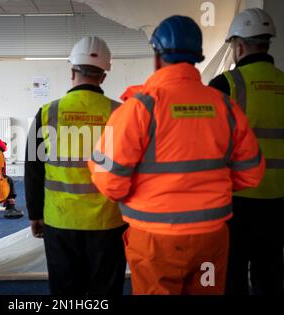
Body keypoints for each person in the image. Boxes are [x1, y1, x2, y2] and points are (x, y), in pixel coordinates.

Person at [88, 16, 265, 295]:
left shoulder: (137, 108)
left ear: (157, 56)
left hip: (155, 241)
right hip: (210, 239)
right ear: (196, 57)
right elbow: (252, 172)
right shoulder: (225, 106)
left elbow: (108, 178)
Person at [25, 36, 127, 295]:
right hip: (109, 224)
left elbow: (33, 169)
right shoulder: (121, 114)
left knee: (65, 293)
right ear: (103, 76)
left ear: (72, 72)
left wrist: (35, 214)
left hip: (61, 223)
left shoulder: (48, 113)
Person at [209, 8, 284, 295]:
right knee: (271, 274)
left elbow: (208, 144)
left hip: (236, 201)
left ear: (238, 46)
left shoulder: (225, 85)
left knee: (232, 274)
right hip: (278, 200)